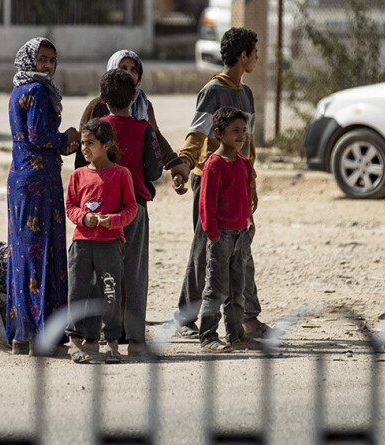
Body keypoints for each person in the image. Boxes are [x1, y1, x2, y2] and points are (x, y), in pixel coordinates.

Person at [172, 27, 272, 339]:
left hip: (238, 180)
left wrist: (250, 182)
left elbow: (249, 145)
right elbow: (197, 134)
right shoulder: (213, 91)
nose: (257, 58)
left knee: (241, 249)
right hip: (210, 178)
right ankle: (186, 317)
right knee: (206, 248)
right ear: (243, 56)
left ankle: (247, 317)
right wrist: (184, 165)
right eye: (254, 53)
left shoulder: (247, 93)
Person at [4, 37, 80, 355]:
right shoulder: (36, 90)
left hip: (21, 181)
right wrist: (68, 138)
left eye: (51, 60)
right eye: (42, 59)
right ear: (30, 61)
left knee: (22, 257)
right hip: (39, 183)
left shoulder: (18, 90)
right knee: (42, 255)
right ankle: (42, 337)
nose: (47, 66)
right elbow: (38, 135)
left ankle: (22, 336)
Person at [98, 68, 163, 355]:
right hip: (135, 207)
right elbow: (155, 169)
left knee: (104, 272)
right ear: (135, 96)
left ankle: (106, 334)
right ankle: (136, 339)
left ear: (102, 98)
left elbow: (81, 166)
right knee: (135, 272)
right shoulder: (143, 128)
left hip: (102, 210)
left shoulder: (96, 128)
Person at [65, 118, 137, 363]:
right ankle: (75, 342)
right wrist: (85, 218)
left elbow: (131, 208)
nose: (84, 148)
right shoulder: (77, 175)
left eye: (90, 143)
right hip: (81, 243)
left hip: (110, 244)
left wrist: (113, 220)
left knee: (110, 293)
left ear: (106, 145)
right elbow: (70, 207)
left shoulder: (120, 174)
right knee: (77, 292)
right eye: (83, 143)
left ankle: (113, 343)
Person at [76, 49, 190, 190]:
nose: (128, 74)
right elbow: (82, 146)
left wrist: (175, 163)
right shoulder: (98, 106)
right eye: (123, 68)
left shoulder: (144, 105)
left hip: (134, 186)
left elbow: (155, 138)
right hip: (102, 187)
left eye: (133, 70)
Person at [197, 107, 254, 352]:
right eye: (235, 131)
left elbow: (246, 197)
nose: (241, 136)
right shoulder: (214, 165)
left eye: (243, 131)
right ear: (219, 133)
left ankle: (235, 334)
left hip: (241, 234)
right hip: (221, 236)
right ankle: (208, 337)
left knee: (237, 289)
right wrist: (212, 234)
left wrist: (250, 223)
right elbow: (206, 204)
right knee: (216, 289)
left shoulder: (243, 163)